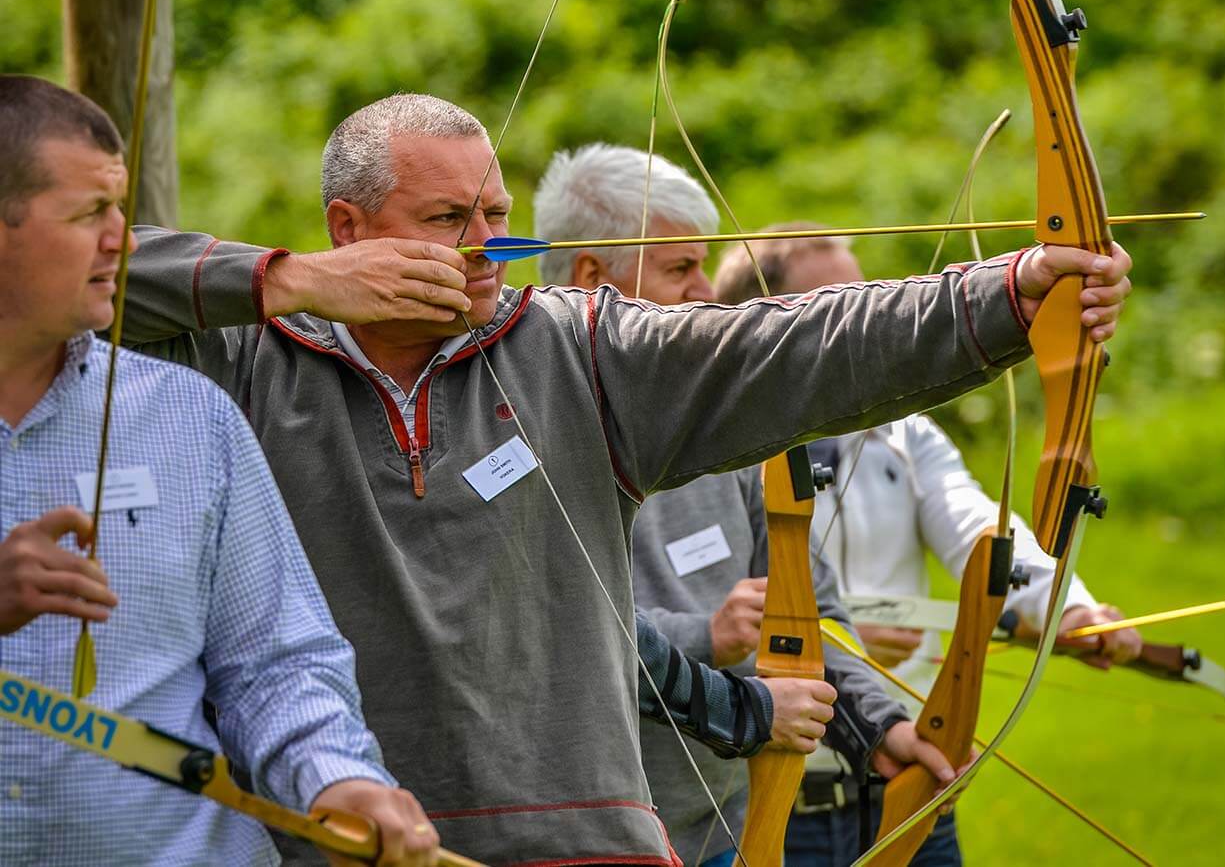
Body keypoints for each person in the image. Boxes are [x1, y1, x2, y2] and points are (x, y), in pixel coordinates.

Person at [120, 92, 1131, 865]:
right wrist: (288, 284)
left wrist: (1006, 295)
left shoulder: (575, 347)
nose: (487, 247)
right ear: (347, 228)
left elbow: (785, 344)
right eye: (446, 220)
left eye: (496, 211)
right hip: (346, 837)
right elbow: (69, 264)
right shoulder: (251, 360)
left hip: (587, 842)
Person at [0, 75, 438, 866]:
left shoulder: (188, 416)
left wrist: (337, 782)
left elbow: (275, 666)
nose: (121, 242)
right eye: (87, 214)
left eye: (120, 209)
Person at [533, 144, 968, 866]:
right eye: (680, 269)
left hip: (725, 824)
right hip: (592, 831)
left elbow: (809, 609)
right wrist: (707, 633)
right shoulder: (528, 430)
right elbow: (561, 628)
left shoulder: (723, 431)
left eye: (705, 265)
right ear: (592, 278)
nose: (707, 291)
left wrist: (884, 730)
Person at [714, 226, 1144, 867]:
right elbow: (694, 620)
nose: (859, 321)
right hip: (766, 800)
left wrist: (1068, 609)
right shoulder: (713, 448)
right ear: (761, 323)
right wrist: (849, 638)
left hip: (908, 780)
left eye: (864, 299)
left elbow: (979, 530)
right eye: (831, 307)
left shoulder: (902, 434)